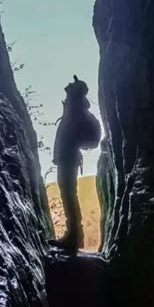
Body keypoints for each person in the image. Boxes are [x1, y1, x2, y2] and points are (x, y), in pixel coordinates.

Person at [51, 75, 90, 251]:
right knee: (68, 195)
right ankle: (73, 236)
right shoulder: (74, 109)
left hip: (69, 159)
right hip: (67, 158)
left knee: (69, 196)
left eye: (71, 87)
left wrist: (73, 145)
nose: (67, 87)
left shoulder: (76, 109)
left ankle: (73, 237)